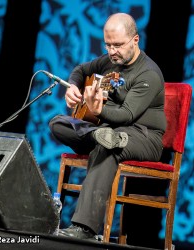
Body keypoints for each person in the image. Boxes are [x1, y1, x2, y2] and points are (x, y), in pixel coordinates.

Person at [49, 12, 166, 240]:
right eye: (108, 45)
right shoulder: (109, 60)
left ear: (135, 40)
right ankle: (99, 135)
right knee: (57, 123)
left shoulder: (148, 74)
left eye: (118, 45)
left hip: (143, 136)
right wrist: (73, 87)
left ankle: (86, 229)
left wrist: (98, 110)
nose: (112, 51)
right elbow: (81, 70)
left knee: (107, 147)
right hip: (108, 130)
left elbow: (126, 115)